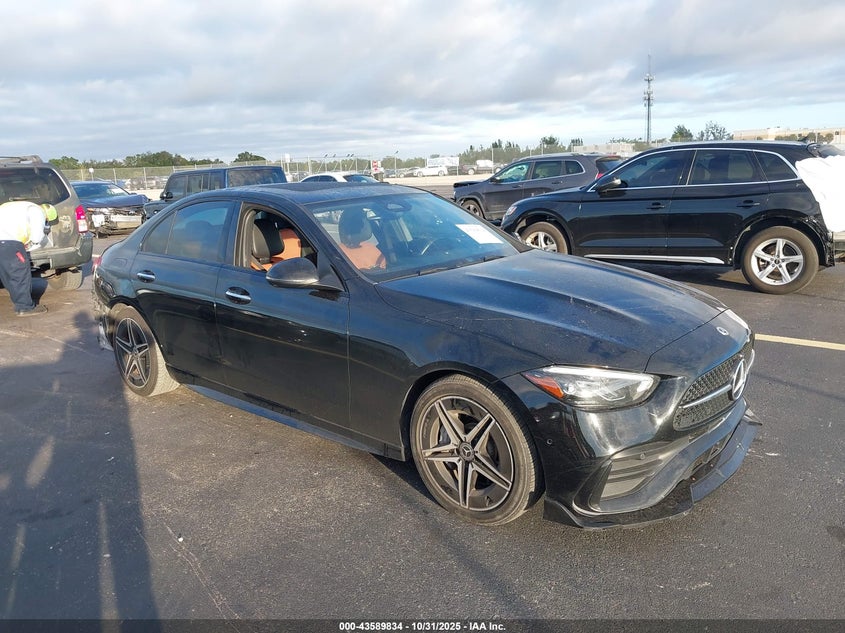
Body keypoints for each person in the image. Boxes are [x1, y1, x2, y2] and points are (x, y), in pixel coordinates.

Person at [0, 201, 57, 317]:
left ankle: (19, 301)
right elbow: (37, 237)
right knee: (19, 275)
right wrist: (32, 244)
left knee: (5, 274)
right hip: (9, 244)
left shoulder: (15, 206)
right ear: (47, 215)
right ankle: (25, 307)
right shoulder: (37, 211)